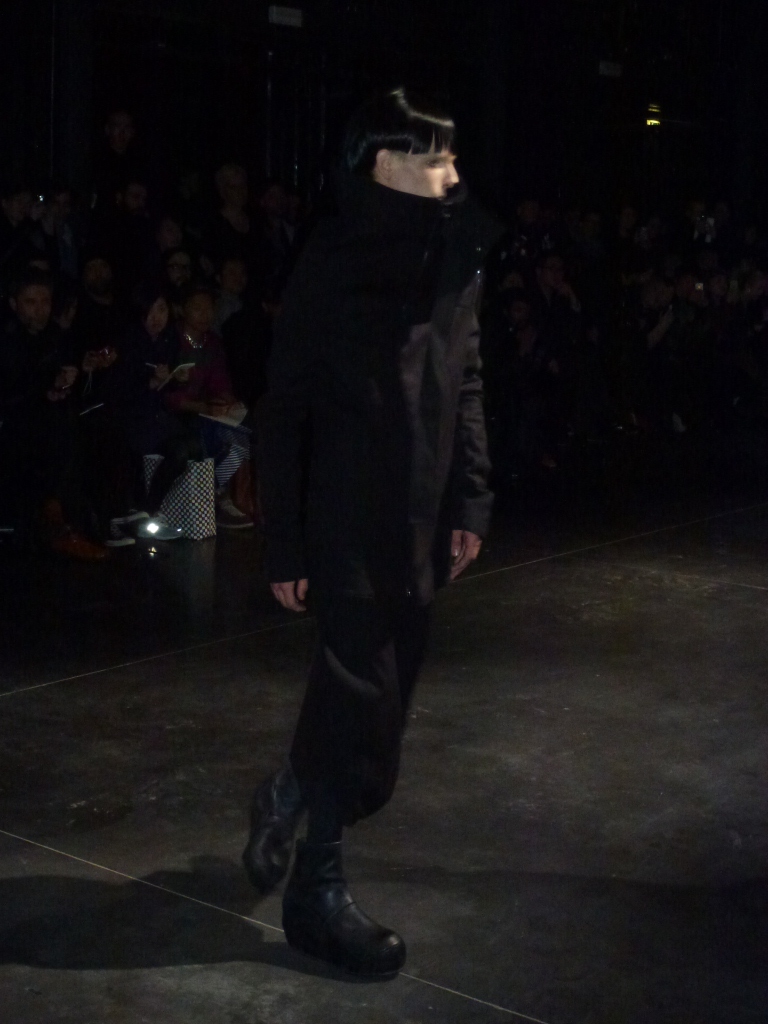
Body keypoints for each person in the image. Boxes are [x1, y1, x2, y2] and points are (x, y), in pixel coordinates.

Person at [243, 88, 499, 977]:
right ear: (388, 164)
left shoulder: (456, 249)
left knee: (386, 696)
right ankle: (316, 892)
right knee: (359, 689)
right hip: (346, 512)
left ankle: (290, 788)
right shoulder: (331, 260)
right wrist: (284, 541)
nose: (454, 172)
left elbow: (466, 378)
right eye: (438, 157)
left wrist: (470, 499)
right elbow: (283, 408)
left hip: (420, 514)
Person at [0, 269, 105, 558]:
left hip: (50, 417)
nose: (40, 309)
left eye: (45, 301)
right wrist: (46, 389)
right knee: (58, 431)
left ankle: (81, 521)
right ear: (14, 304)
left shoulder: (54, 336)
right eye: (30, 302)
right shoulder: (8, 338)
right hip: (15, 423)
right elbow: (12, 388)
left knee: (88, 427)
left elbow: (66, 379)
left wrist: (76, 375)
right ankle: (57, 521)